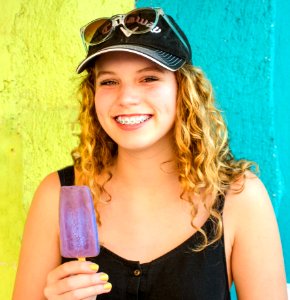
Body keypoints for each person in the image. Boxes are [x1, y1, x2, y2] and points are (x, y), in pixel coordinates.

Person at [13, 7, 287, 300]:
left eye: (149, 79)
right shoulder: (56, 195)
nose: (126, 98)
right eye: (108, 81)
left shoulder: (239, 199)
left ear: (183, 90)